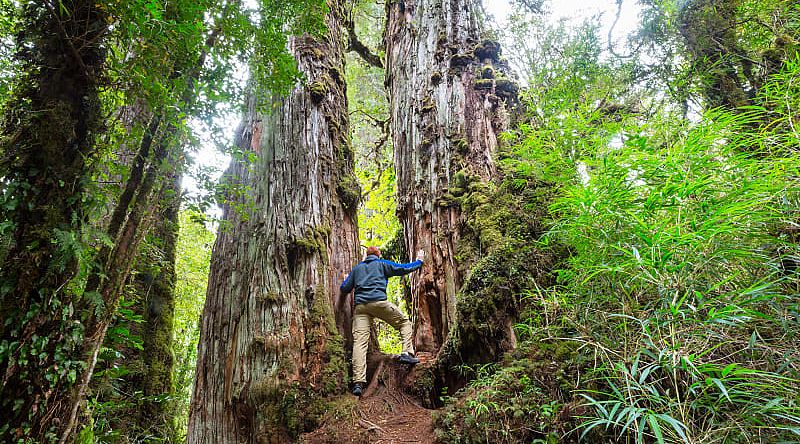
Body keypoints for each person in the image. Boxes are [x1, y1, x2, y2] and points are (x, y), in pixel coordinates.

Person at [340, 246, 424, 396]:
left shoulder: (357, 268)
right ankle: (407, 353)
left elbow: (344, 287)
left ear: (366, 256)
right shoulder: (382, 264)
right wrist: (419, 262)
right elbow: (402, 269)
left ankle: (358, 383)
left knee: (359, 343)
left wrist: (350, 279)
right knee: (404, 323)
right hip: (379, 302)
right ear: (378, 255)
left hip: (361, 308)